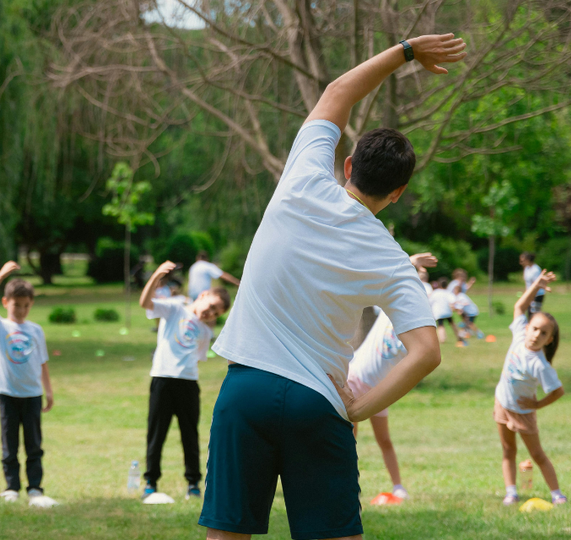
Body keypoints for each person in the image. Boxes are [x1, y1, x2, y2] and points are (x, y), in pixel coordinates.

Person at [198, 34, 463, 540]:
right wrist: (359, 407)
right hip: (318, 402)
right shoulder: (390, 258)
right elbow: (426, 352)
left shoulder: (302, 180)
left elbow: (338, 91)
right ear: (398, 193)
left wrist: (406, 51)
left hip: (246, 389)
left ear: (346, 166)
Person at [347, 253, 437, 502]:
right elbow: (392, 275)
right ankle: (348, 487)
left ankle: (398, 487)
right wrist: (412, 261)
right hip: (355, 379)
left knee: (384, 440)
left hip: (381, 390)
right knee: (347, 440)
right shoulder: (389, 309)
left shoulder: (421, 328)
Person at [138, 261, 230, 501]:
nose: (210, 313)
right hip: (162, 378)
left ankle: (193, 483)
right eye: (211, 306)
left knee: (189, 435)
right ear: (202, 295)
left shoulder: (206, 332)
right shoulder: (175, 309)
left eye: (216, 313)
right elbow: (145, 303)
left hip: (188, 383)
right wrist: (157, 275)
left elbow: (197, 358)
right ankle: (151, 481)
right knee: (156, 432)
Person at [0, 261, 58, 508]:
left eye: (26, 305)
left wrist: (49, 390)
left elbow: (42, 361)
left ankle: (35, 487)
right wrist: (1, 274)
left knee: (34, 444)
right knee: (9, 443)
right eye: (16, 305)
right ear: (5, 303)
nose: (21, 310)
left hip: (32, 394)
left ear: (31, 304)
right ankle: (12, 487)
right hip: (8, 393)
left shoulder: (36, 330)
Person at [495, 269, 565, 506]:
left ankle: (557, 494)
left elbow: (558, 391)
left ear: (549, 340)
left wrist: (536, 404)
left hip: (523, 412)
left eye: (544, 333)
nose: (536, 335)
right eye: (534, 329)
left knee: (537, 455)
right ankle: (511, 492)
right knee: (507, 450)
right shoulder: (518, 335)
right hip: (503, 403)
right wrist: (537, 285)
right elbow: (519, 306)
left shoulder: (540, 364)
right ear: (527, 328)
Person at [430, 278, 464, 345]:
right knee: (452, 324)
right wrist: (457, 309)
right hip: (447, 311)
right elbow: (453, 301)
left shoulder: (435, 292)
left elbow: (430, 301)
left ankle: (442, 339)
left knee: (440, 325)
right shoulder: (448, 293)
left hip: (438, 312)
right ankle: (459, 336)